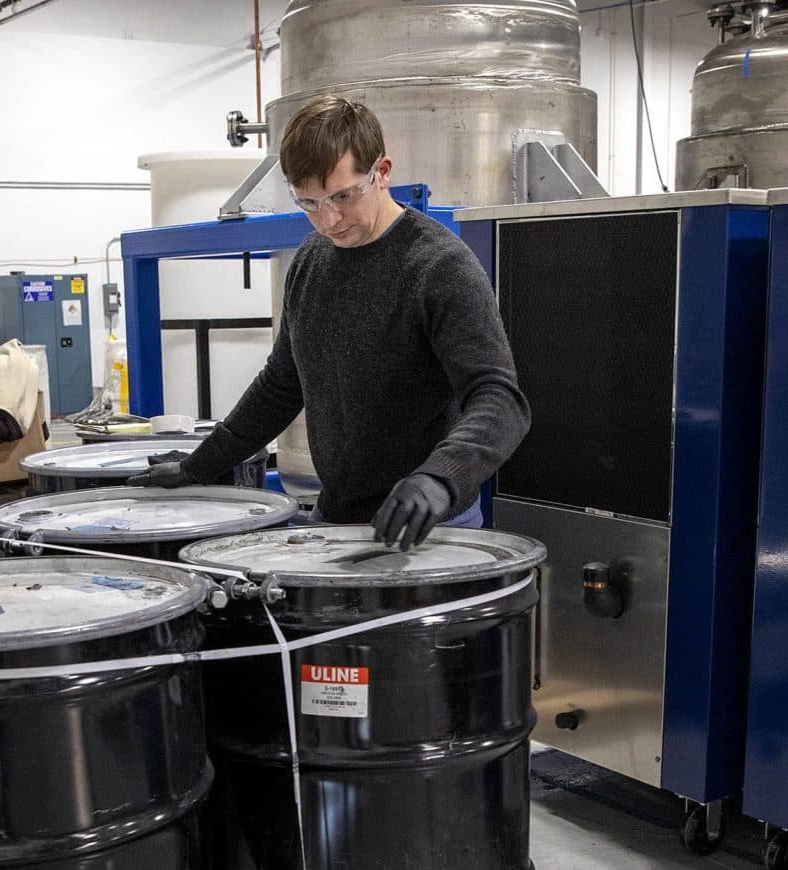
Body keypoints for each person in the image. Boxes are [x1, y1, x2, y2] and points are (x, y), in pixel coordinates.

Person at [129, 96, 530, 551]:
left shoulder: (438, 266)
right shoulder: (311, 260)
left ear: (382, 171)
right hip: (334, 517)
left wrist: (440, 479)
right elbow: (282, 385)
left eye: (343, 196)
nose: (329, 219)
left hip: (430, 530)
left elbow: (499, 398)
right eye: (310, 203)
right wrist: (199, 465)